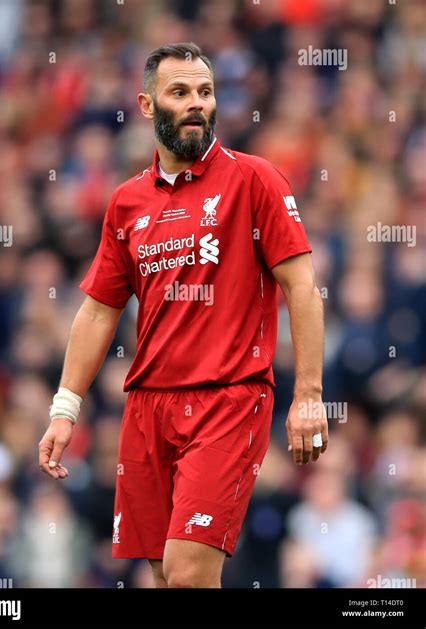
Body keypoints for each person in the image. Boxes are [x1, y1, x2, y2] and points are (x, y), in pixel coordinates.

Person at [38, 42, 328, 589]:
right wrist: (64, 408)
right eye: (180, 93)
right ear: (148, 106)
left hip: (228, 397)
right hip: (148, 407)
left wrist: (308, 395)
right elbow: (99, 311)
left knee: (189, 573)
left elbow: (303, 288)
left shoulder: (255, 180)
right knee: (166, 579)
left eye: (205, 92)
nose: (197, 103)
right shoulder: (126, 202)